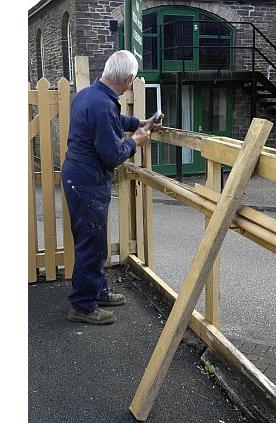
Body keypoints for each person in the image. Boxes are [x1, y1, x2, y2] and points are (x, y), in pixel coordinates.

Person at [62, 50, 162, 325]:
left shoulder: (90, 94)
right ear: (129, 79)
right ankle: (82, 305)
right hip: (87, 182)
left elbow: (110, 123)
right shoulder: (102, 105)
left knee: (94, 241)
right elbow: (113, 154)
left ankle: (97, 291)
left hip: (80, 178)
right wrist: (136, 140)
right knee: (90, 244)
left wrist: (139, 123)